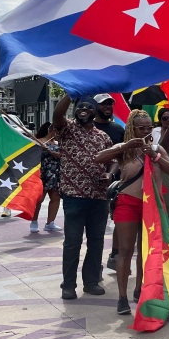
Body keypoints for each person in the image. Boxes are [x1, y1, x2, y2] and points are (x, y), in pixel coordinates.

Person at [95, 110, 169, 315]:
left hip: (152, 206)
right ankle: (122, 297)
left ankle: (140, 290)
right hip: (128, 203)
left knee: (146, 250)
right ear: (132, 128)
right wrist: (125, 146)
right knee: (125, 250)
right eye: (142, 127)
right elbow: (99, 158)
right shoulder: (125, 150)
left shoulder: (157, 148)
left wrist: (154, 155)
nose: (147, 131)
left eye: (149, 127)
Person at [53, 95, 113, 300]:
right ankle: (68, 285)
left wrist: (110, 173)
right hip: (74, 196)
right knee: (72, 242)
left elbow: (113, 159)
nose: (84, 110)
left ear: (95, 112)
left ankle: (91, 282)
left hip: (99, 197)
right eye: (80, 107)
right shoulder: (67, 129)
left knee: (96, 242)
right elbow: (57, 114)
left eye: (89, 107)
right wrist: (70, 94)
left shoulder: (102, 137)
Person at [92, 94, 125, 271]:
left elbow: (123, 156)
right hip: (91, 186)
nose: (108, 107)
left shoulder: (118, 129)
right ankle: (94, 267)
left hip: (116, 184)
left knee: (119, 220)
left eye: (110, 104)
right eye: (104, 104)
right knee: (96, 229)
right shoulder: (88, 128)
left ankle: (115, 254)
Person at [32, 122, 63, 233]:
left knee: (55, 197)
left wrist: (59, 155)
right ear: (50, 130)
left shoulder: (57, 143)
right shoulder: (38, 141)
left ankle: (50, 222)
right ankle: (34, 221)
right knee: (39, 199)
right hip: (42, 172)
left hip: (55, 172)